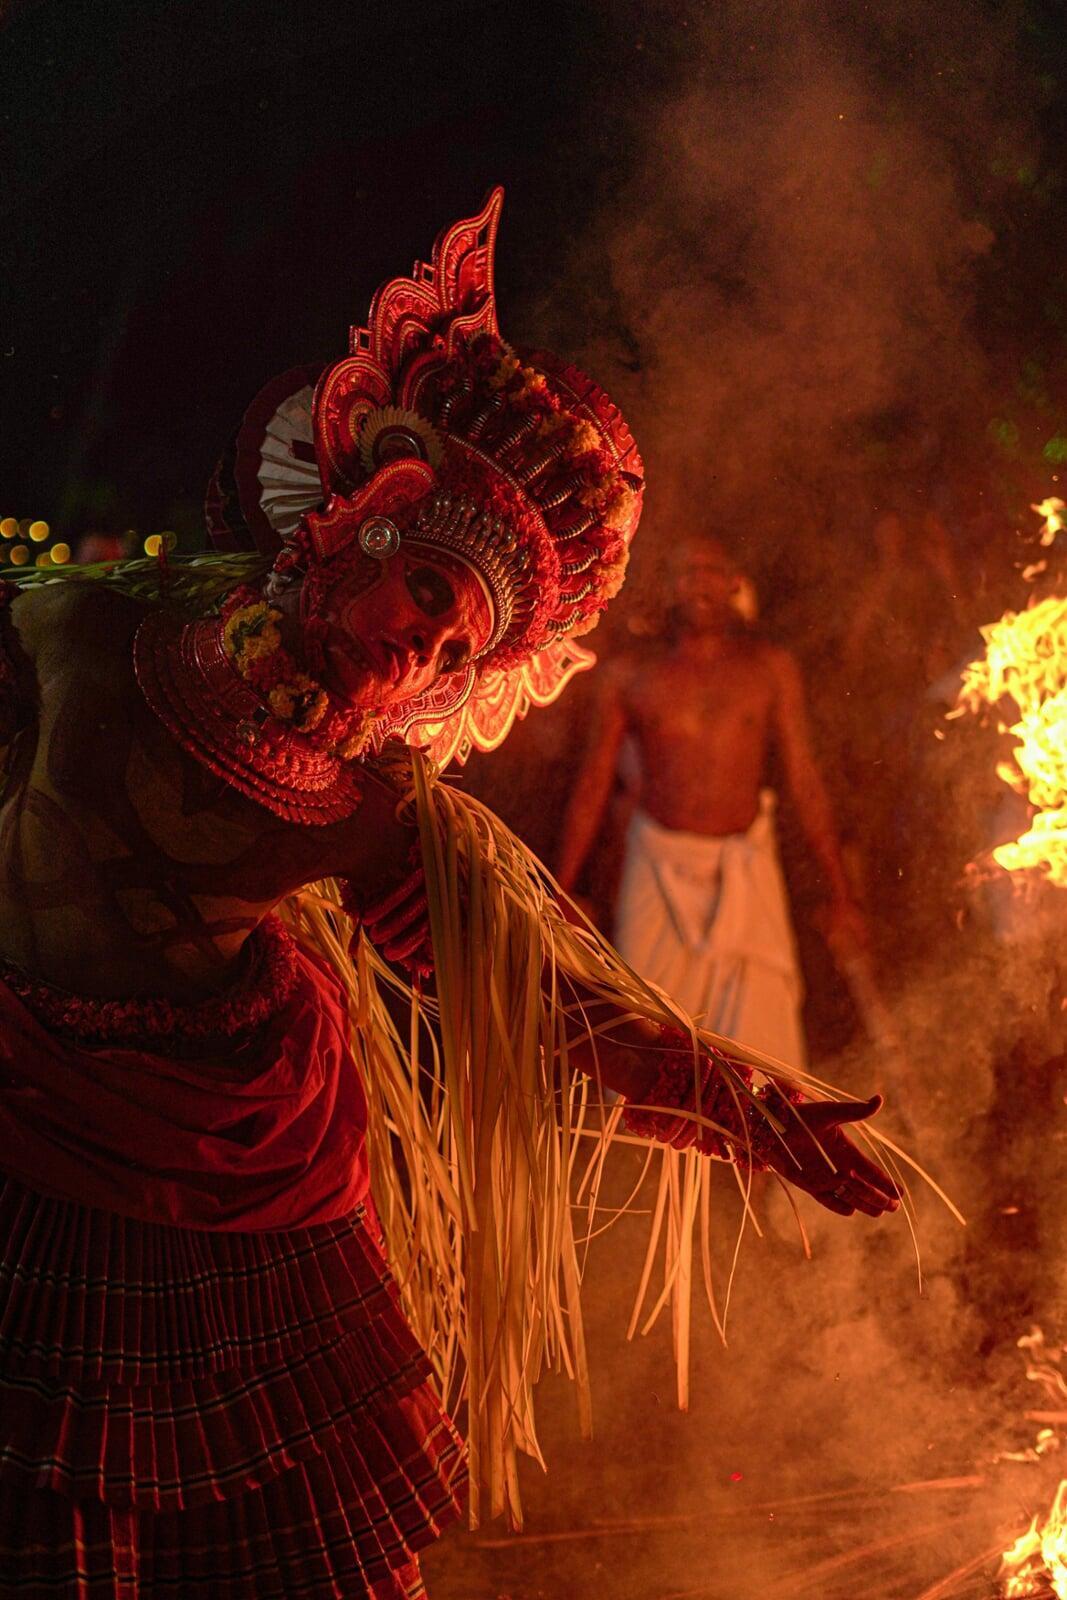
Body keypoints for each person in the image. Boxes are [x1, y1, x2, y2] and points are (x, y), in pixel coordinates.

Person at [0, 191, 898, 1599]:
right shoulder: (82, 630)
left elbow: (542, 1005)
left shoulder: (364, 809)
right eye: (423, 593)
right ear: (363, 521)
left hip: (233, 1189)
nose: (417, 657)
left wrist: (737, 1105)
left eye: (451, 650)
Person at [557, 538, 865, 1064]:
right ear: (668, 587)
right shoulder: (631, 677)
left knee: (763, 1052)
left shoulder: (769, 670)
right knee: (645, 1035)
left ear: (734, 584)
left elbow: (805, 782)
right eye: (687, 571)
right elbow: (593, 786)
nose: (701, 581)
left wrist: (841, 895)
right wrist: (562, 891)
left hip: (746, 866)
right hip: (656, 866)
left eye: (713, 570)